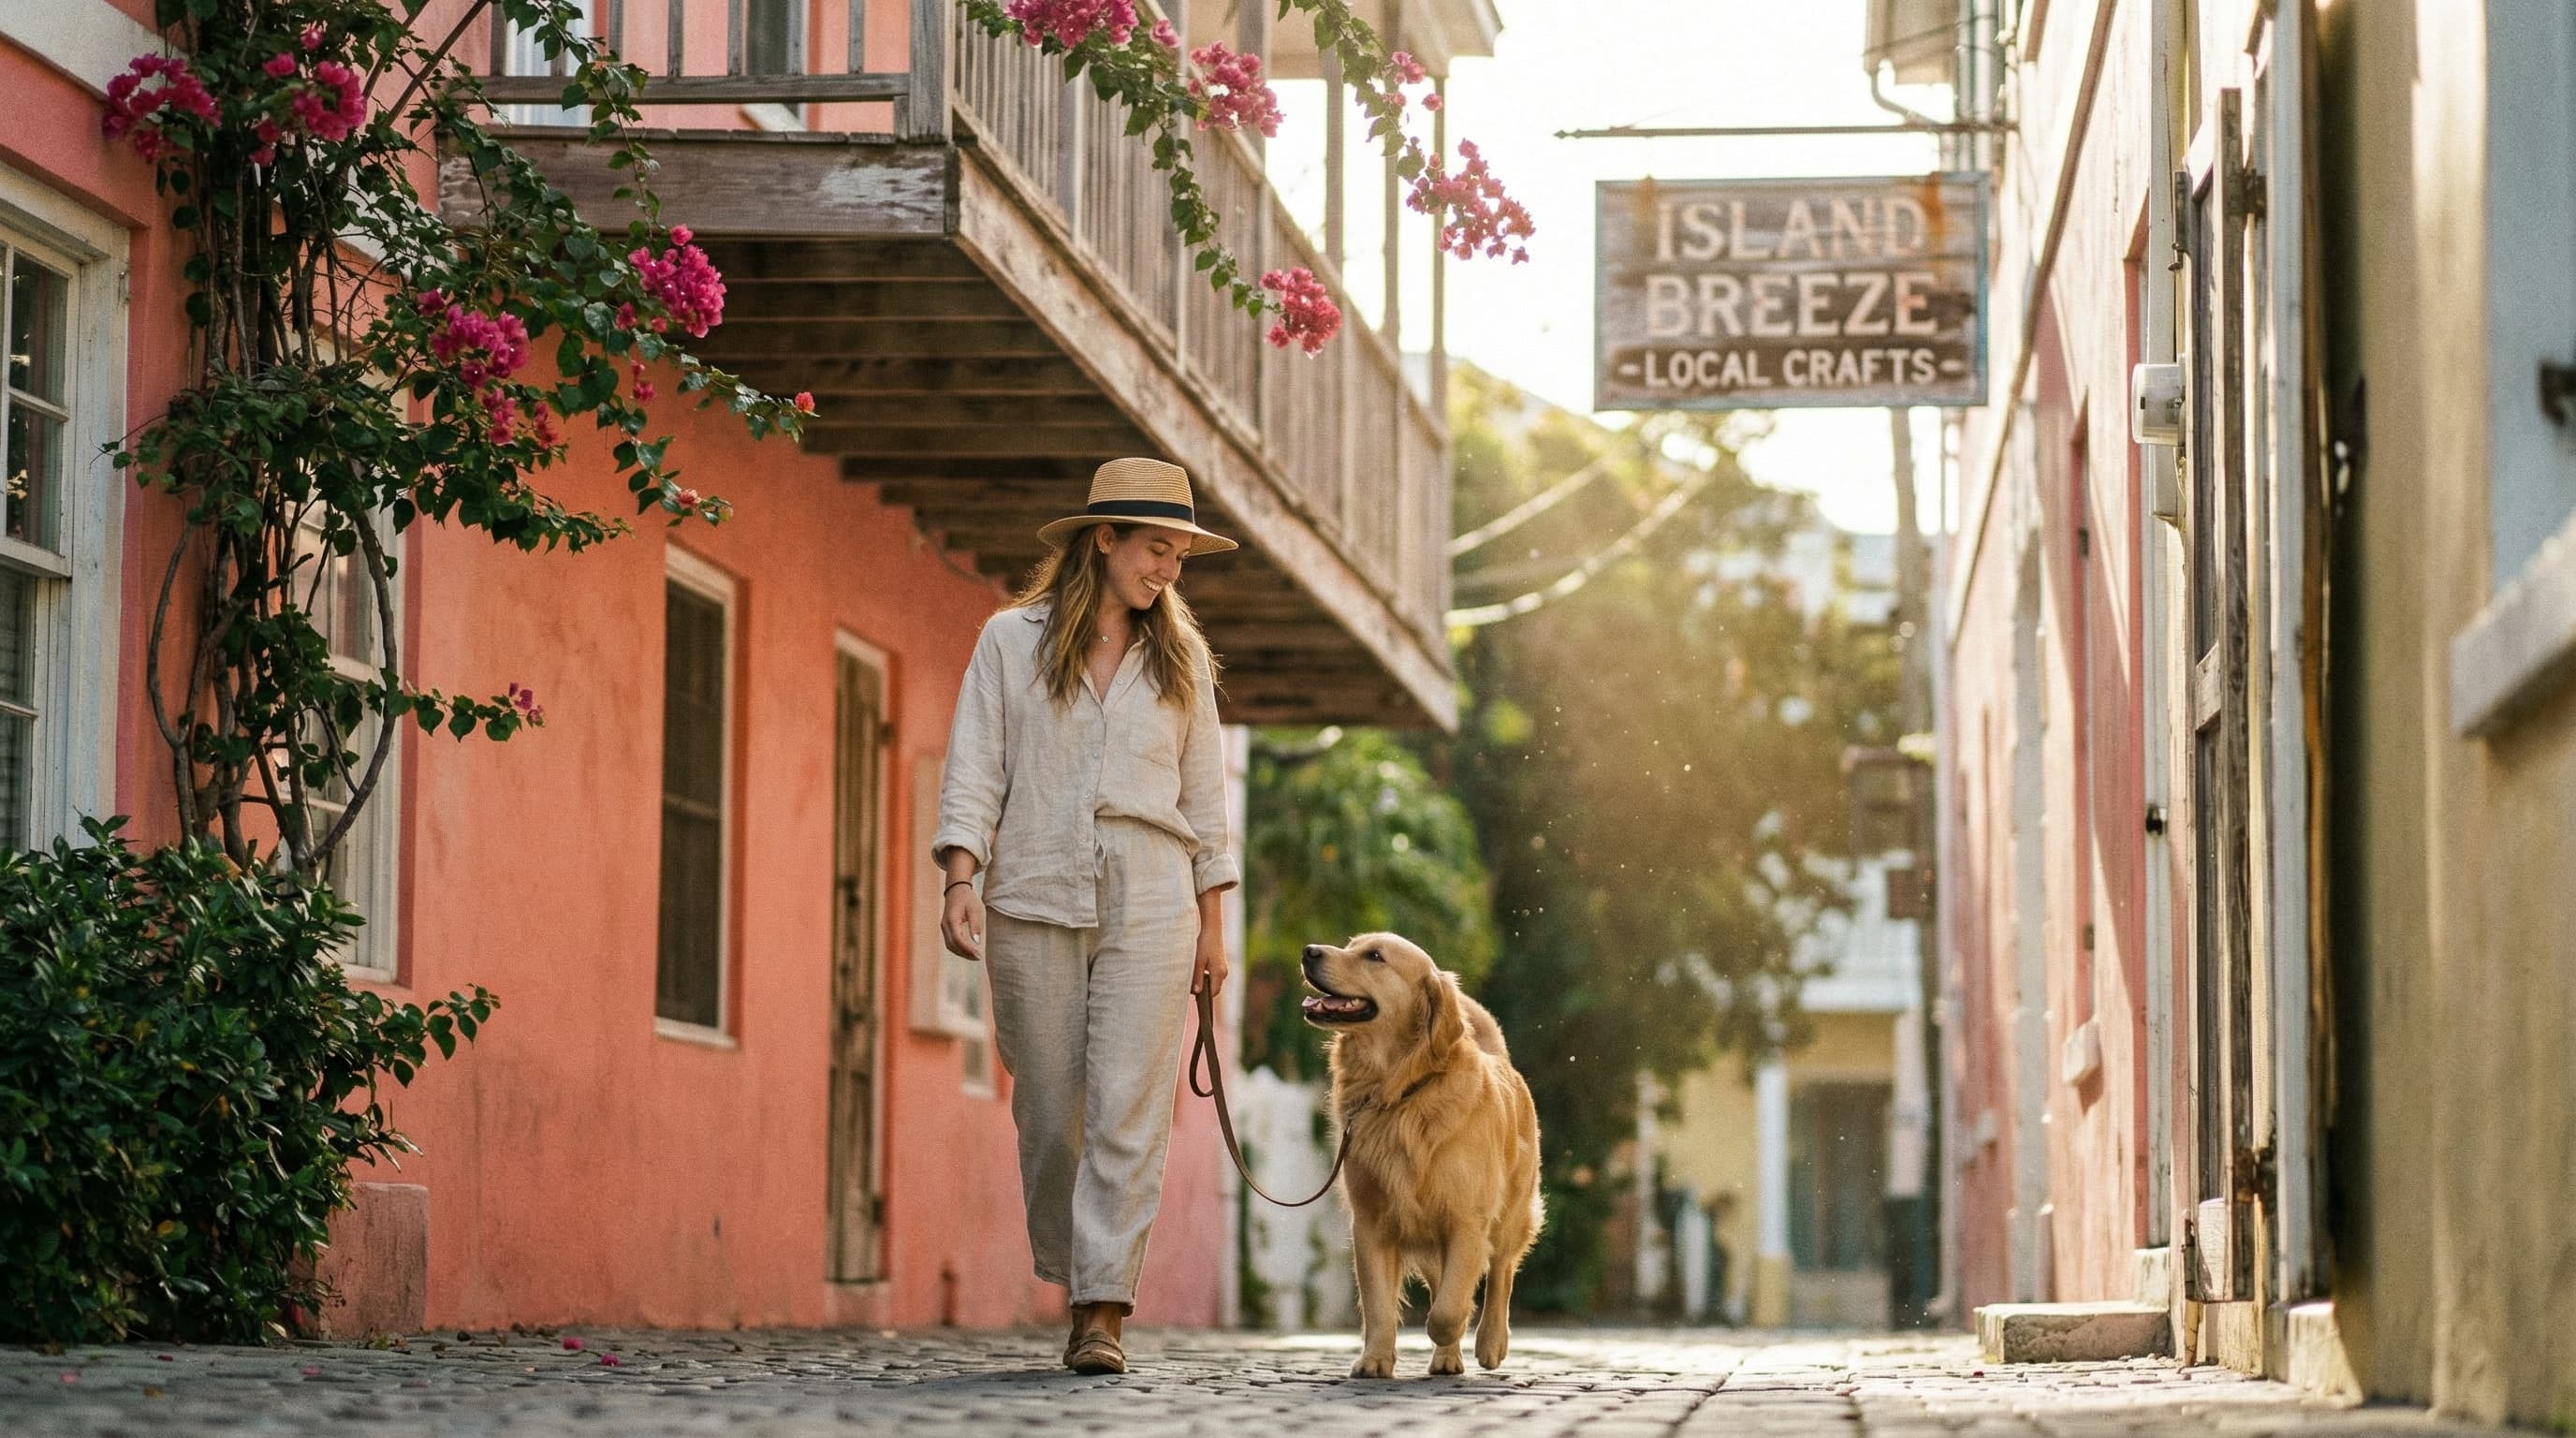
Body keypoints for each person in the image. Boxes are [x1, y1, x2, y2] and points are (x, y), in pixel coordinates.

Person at [930, 456, 1240, 1376]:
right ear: (1101, 540)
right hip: (1031, 888)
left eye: (1180, 555)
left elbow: (1206, 802)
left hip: (1153, 893)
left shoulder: (1181, 659)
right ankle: (1079, 1268)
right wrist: (959, 877)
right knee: (1051, 1107)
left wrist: (1214, 926)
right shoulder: (1008, 642)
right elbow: (974, 764)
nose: (1168, 571)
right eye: (1156, 549)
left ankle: (1100, 1309)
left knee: (1127, 1107)